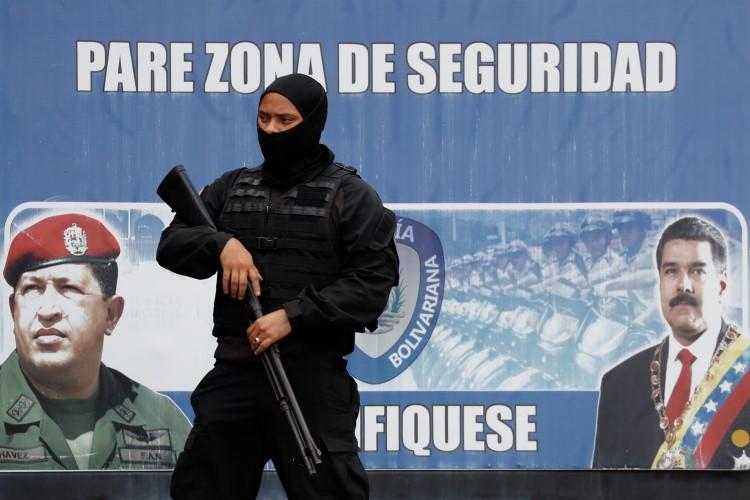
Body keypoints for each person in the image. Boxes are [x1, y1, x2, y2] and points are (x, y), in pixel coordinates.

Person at [157, 73, 399, 499]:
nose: (270, 130)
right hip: (237, 372)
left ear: (312, 123)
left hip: (310, 381)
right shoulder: (231, 188)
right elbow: (172, 245)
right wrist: (222, 243)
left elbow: (370, 287)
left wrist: (293, 316)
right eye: (263, 118)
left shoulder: (352, 197)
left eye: (285, 121)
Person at [0, 213, 191, 470]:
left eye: (69, 288)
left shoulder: (159, 420)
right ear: (14, 311)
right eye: (32, 289)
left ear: (111, 314)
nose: (46, 310)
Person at [593, 216, 750, 469]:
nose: (683, 285)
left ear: (721, 285)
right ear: (660, 283)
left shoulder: (746, 370)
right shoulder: (618, 383)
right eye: (671, 271)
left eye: (698, 271)